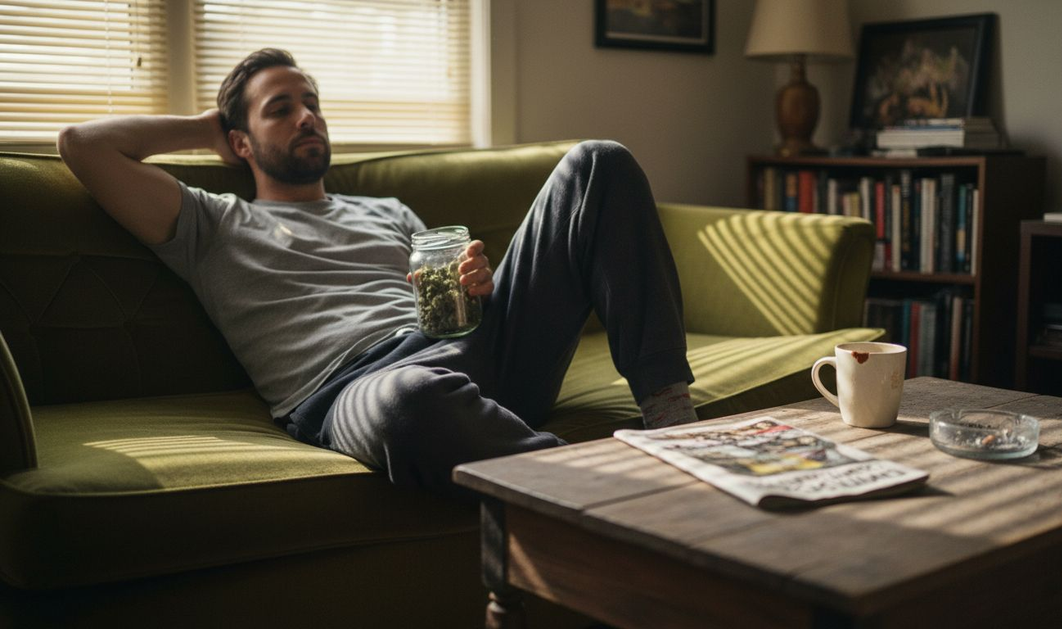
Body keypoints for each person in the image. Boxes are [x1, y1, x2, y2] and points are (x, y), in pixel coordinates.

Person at [58, 48, 696, 493]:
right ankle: (612, 484)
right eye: (279, 108)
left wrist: (480, 283)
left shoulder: (385, 209)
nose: (306, 115)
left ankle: (674, 423)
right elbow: (81, 147)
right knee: (408, 401)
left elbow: (452, 307)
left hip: (474, 346)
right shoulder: (213, 223)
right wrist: (210, 125)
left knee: (597, 162)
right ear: (240, 144)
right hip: (355, 389)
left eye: (311, 102)